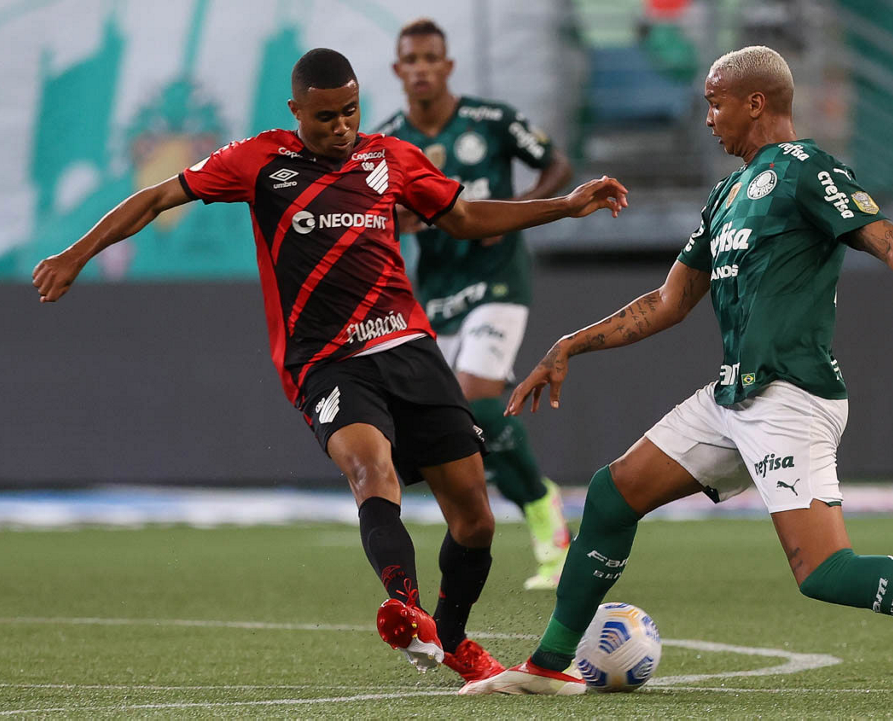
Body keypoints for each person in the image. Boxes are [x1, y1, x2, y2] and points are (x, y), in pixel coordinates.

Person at [461, 46, 893, 698]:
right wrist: (570, 344)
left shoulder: (807, 169)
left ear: (755, 102)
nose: (707, 118)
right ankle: (550, 664)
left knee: (825, 572)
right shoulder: (726, 194)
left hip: (791, 394)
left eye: (715, 103)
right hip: (734, 395)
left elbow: (882, 234)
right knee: (612, 494)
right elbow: (669, 301)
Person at [31, 48, 628, 685]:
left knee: (475, 519)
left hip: (407, 346)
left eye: (350, 111)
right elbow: (156, 197)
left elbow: (464, 217)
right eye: (325, 117)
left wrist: (565, 205)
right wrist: (76, 254)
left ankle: (452, 640)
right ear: (296, 111)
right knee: (371, 470)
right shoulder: (259, 161)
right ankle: (406, 608)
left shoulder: (392, 157)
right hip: (325, 361)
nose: (341, 126)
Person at [376, 18, 575, 591]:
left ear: (448, 66)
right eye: (411, 60)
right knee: (457, 419)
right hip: (437, 292)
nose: (421, 69)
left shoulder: (492, 120)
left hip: (498, 280)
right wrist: (398, 218)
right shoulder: (387, 142)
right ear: (398, 70)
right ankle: (521, 497)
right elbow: (375, 212)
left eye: (430, 58)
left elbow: (557, 166)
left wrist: (516, 211)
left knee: (477, 396)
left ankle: (542, 511)